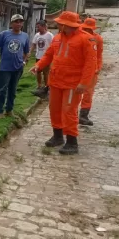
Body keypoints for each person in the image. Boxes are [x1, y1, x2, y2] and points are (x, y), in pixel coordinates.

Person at [29, 11, 97, 155]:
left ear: (68, 25)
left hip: (73, 84)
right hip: (55, 82)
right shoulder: (58, 38)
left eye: (61, 23)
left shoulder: (86, 39)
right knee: (54, 109)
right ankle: (58, 136)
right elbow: (48, 55)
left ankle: (72, 142)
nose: (58, 25)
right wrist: (38, 65)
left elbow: (90, 64)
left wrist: (84, 83)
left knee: (69, 111)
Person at [79, 18, 104, 126]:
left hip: (92, 70)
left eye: (89, 29)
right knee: (72, 91)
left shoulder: (98, 39)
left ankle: (83, 115)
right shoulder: (78, 36)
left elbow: (99, 55)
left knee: (88, 93)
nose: (86, 30)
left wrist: (98, 67)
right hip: (78, 68)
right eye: (85, 28)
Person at [30, 20, 54, 98]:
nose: (37, 28)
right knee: (38, 72)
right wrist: (30, 52)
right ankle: (39, 85)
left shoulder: (49, 35)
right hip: (38, 56)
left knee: (46, 73)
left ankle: (47, 87)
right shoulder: (37, 35)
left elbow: (53, 45)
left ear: (43, 26)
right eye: (37, 27)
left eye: (39, 27)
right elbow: (33, 44)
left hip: (47, 58)